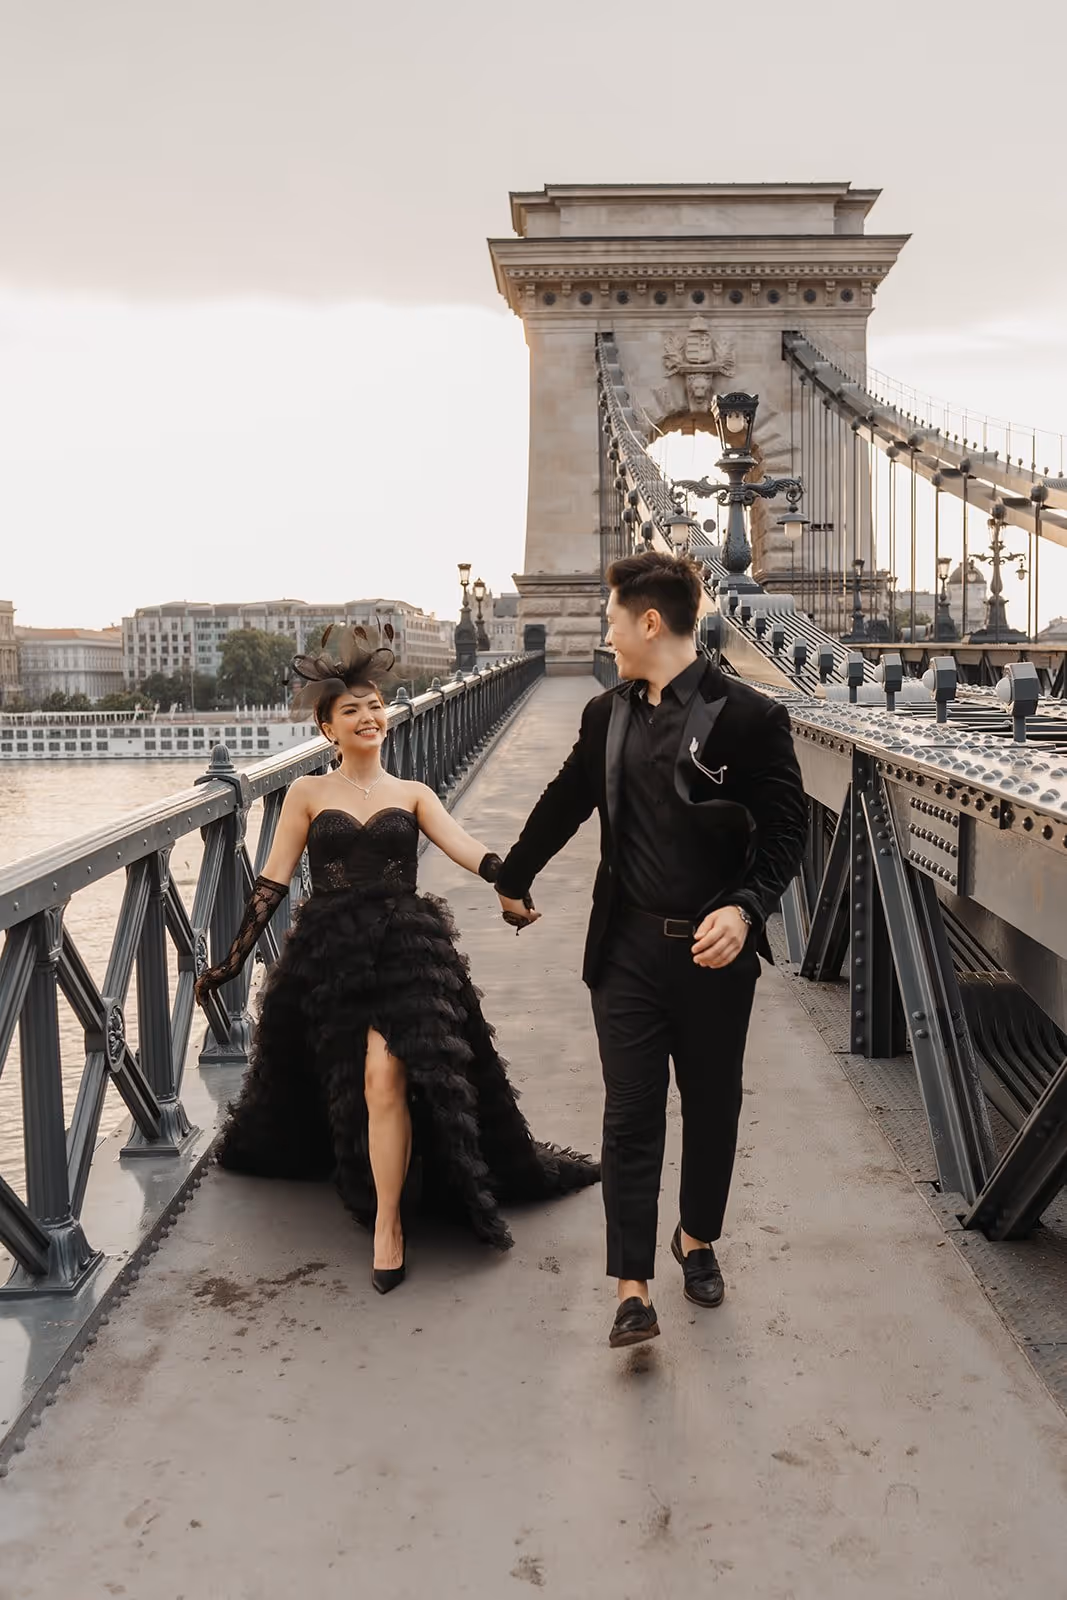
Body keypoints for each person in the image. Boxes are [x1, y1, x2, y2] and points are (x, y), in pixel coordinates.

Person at [194, 627, 598, 1294]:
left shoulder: (412, 793)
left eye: (375, 705)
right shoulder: (306, 795)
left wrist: (512, 884)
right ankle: (385, 1205)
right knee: (351, 1081)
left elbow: (471, 849)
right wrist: (232, 961)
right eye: (350, 710)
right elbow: (271, 881)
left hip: (406, 948)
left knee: (387, 1074)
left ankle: (387, 1223)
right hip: (330, 953)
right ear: (328, 729)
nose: (368, 717)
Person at [495, 552, 807, 1348]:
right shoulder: (605, 714)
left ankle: (695, 1238)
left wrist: (746, 906)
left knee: (711, 1107)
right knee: (630, 1116)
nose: (604, 631)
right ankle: (631, 1287)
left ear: (648, 622)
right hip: (626, 947)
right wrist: (515, 875)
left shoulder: (749, 717)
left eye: (610, 619)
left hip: (711, 951)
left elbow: (786, 835)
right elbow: (568, 796)